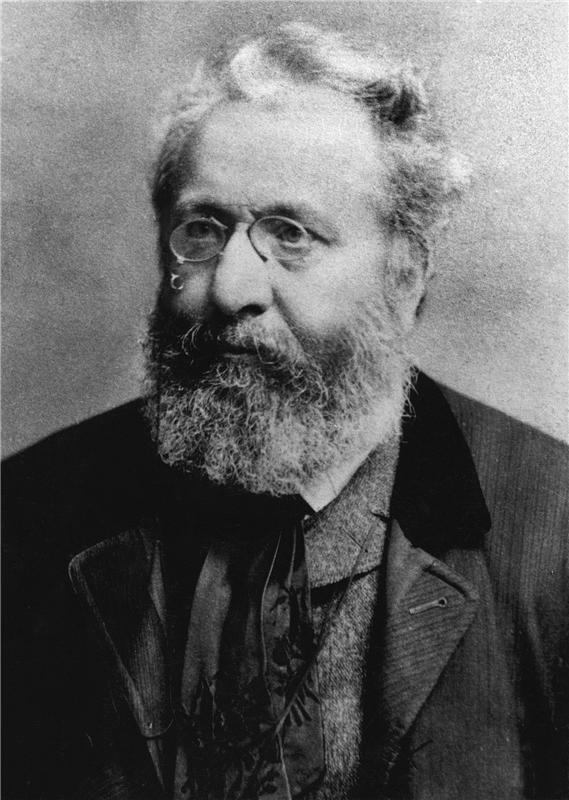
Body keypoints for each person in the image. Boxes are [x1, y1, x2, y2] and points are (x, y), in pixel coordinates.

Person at [3, 23, 568, 800]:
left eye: (291, 235)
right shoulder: (28, 514)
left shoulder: (555, 537)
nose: (231, 287)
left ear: (405, 277)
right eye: (201, 230)